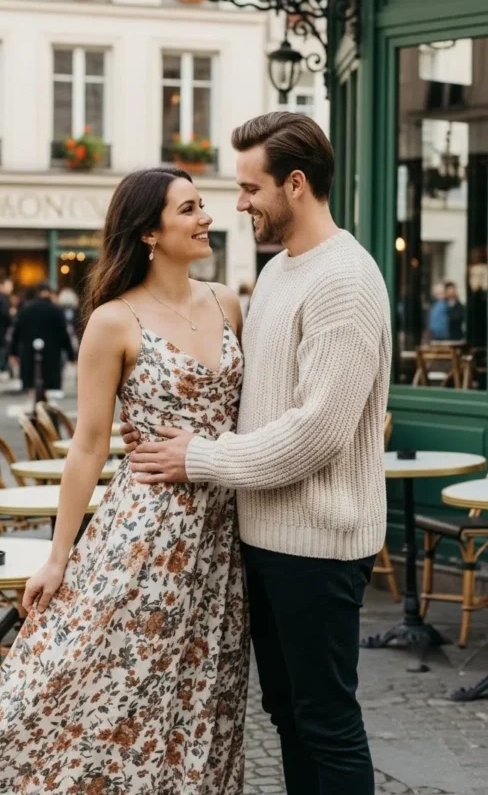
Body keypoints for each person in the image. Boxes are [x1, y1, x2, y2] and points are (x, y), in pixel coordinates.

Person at [0, 168, 247, 794]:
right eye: (189, 209)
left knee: (204, 690)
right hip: (145, 533)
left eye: (203, 205)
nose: (206, 217)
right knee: (88, 678)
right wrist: (58, 557)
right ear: (149, 232)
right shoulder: (113, 321)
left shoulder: (226, 301)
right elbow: (90, 446)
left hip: (222, 537)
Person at [124, 112, 392, 795]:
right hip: (268, 535)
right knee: (290, 716)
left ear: (295, 184)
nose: (237, 204)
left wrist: (200, 458)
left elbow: (316, 433)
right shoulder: (278, 273)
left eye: (250, 188)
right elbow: (256, 400)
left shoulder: (345, 281)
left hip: (319, 542)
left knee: (326, 722)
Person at [10, 281, 74, 395]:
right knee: (49, 389)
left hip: (29, 353)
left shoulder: (26, 309)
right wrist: (71, 354)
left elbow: (16, 333)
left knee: (32, 387)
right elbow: (63, 334)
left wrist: (13, 352)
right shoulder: (56, 310)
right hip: (52, 355)